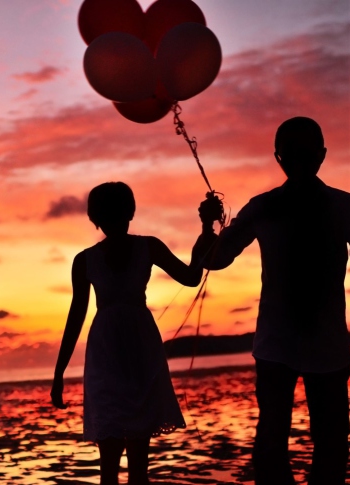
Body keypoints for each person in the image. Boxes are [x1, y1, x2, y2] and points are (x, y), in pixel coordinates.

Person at [198, 117, 350, 484]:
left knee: (320, 443)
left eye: (304, 153)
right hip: (281, 347)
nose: (297, 161)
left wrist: (208, 230)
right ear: (279, 158)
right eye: (291, 154)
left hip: (312, 346)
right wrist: (208, 227)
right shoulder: (267, 208)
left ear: (321, 155)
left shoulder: (342, 207)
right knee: (278, 444)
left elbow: (213, 260)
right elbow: (214, 260)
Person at [51, 181, 217, 485]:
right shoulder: (93, 258)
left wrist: (207, 230)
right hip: (122, 348)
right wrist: (58, 373)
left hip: (128, 347)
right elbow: (192, 276)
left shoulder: (132, 249)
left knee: (123, 459)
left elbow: (192, 277)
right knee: (126, 456)